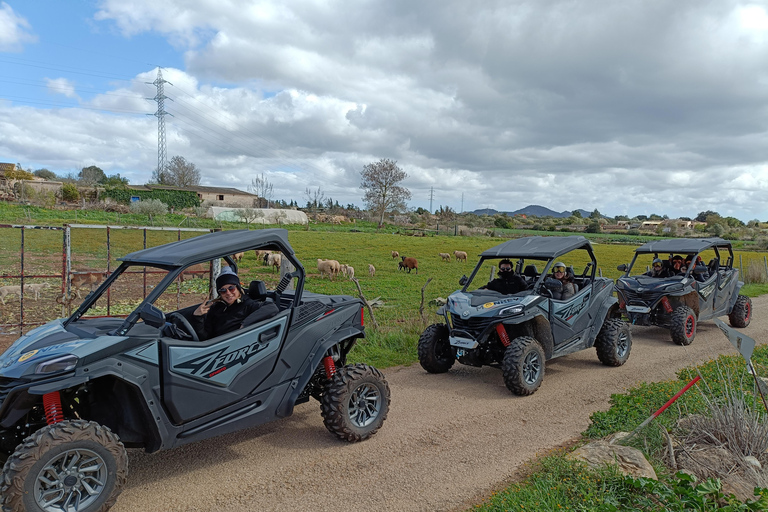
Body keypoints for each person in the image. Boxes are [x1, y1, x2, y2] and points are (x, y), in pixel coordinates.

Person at [190, 267, 278, 340]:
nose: (228, 293)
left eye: (231, 288)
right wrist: (198, 317)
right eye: (223, 290)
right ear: (219, 293)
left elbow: (272, 307)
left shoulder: (248, 305)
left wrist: (245, 325)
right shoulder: (216, 308)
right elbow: (205, 337)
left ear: (238, 288)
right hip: (214, 348)